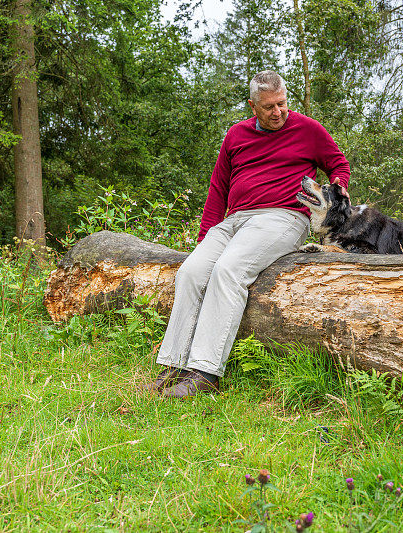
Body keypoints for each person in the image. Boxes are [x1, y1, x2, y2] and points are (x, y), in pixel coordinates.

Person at [147, 70, 350, 398]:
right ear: (252, 105)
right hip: (236, 221)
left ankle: (205, 372)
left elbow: (338, 163)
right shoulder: (235, 135)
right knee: (191, 272)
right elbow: (218, 190)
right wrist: (204, 241)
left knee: (229, 271)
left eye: (282, 103)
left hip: (283, 218)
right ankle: (174, 365)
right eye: (269, 106)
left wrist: (338, 187)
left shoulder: (308, 129)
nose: (278, 112)